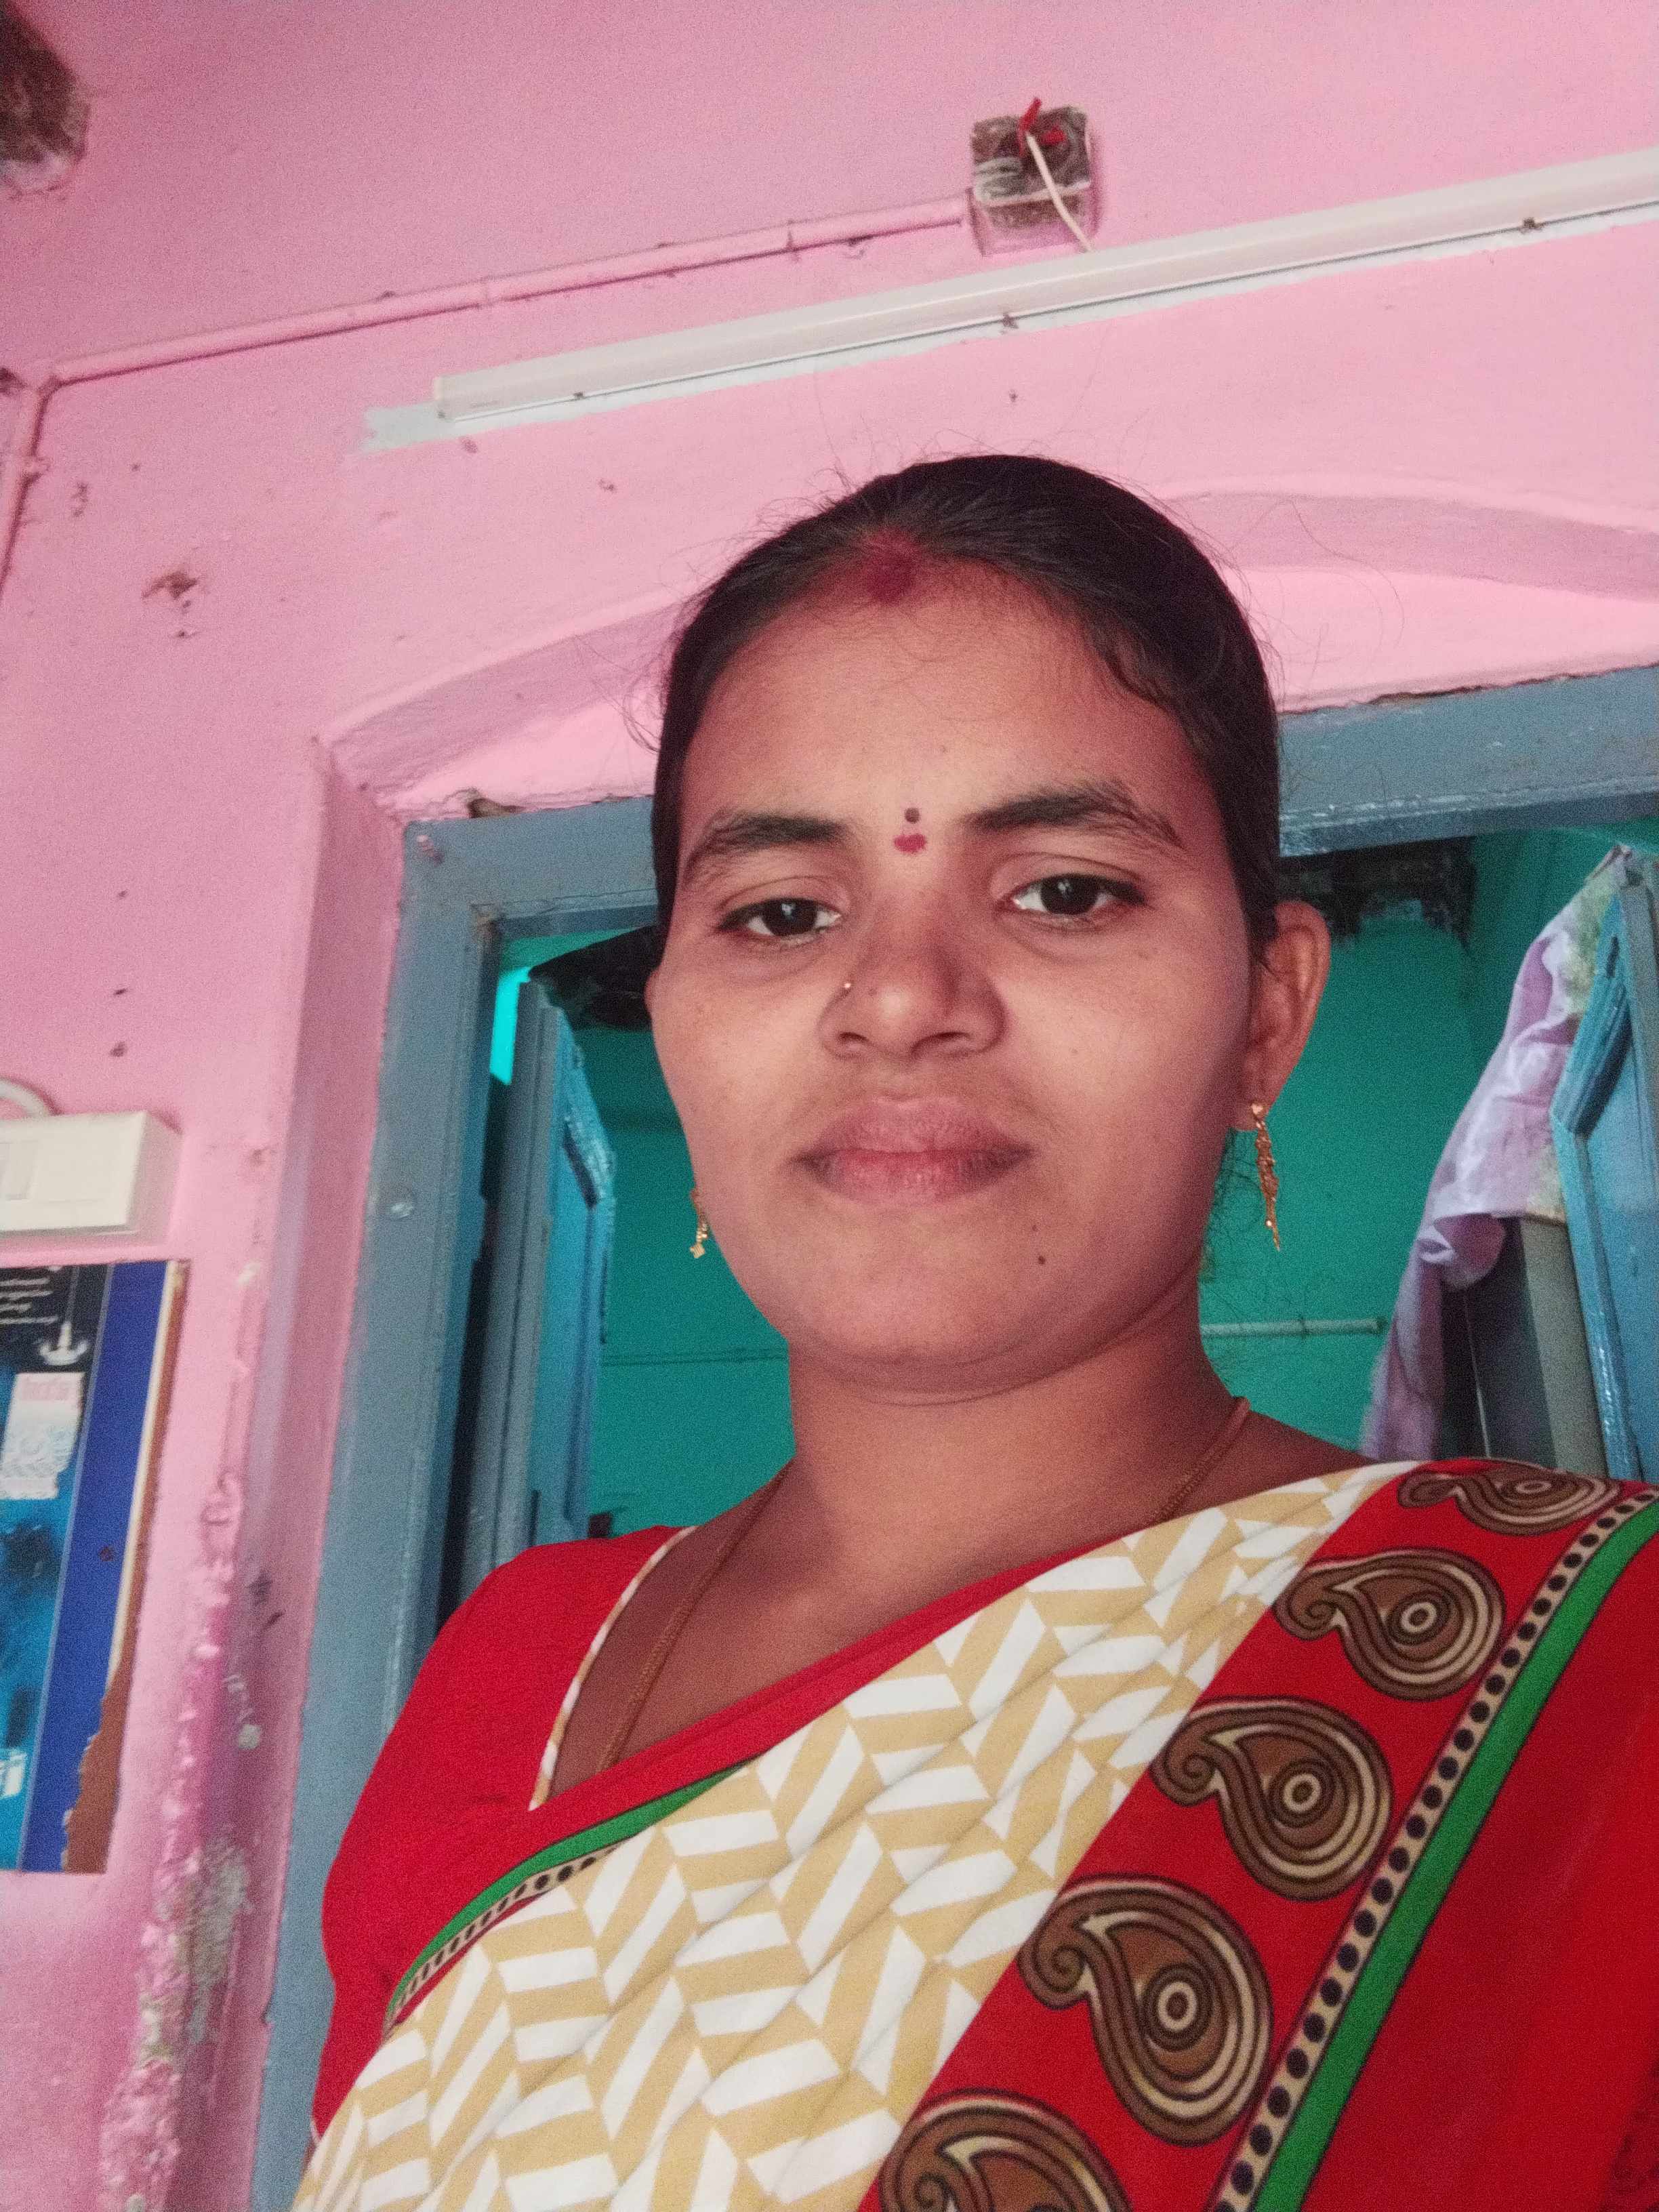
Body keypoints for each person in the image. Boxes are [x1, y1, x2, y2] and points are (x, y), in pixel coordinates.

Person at [295, 458, 1659, 2212]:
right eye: (782, 912)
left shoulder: (1592, 1686)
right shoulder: (513, 1672)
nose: (901, 1000)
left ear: (1267, 1012)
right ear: (677, 1019)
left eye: (1066, 891)